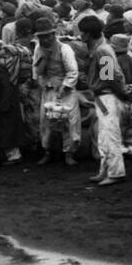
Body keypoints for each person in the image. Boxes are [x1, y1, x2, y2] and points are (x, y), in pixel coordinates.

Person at [79, 15, 132, 186]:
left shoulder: (102, 50)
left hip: (107, 96)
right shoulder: (101, 49)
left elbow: (110, 77)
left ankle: (116, 173)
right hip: (104, 95)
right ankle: (106, 170)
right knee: (104, 136)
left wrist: (123, 93)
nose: (80, 36)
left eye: (82, 33)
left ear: (87, 34)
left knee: (110, 135)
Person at [32, 17, 80, 165]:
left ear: (53, 34)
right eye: (42, 36)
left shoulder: (65, 49)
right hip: (48, 90)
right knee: (46, 122)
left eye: (48, 36)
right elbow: (36, 70)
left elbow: (73, 71)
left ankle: (69, 153)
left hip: (66, 91)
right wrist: (43, 83)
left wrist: (65, 86)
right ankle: (47, 151)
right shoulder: (37, 49)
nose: (45, 39)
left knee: (70, 122)